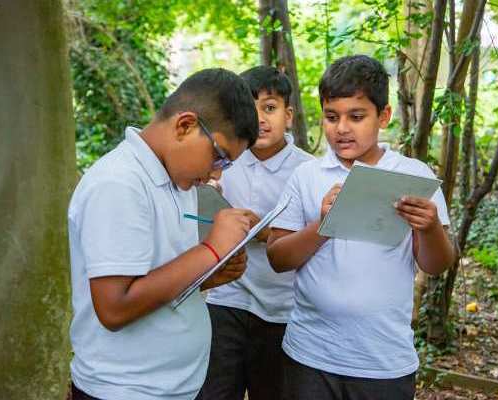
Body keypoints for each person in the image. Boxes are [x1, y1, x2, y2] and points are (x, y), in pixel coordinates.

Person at [266, 55, 455, 400]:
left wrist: (429, 228)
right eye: (331, 117)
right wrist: (322, 224)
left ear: (383, 116)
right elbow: (278, 258)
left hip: (382, 361)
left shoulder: (413, 176)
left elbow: (436, 264)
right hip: (310, 356)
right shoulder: (306, 177)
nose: (342, 129)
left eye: (356, 117)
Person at [67, 68, 259, 400]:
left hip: (172, 387)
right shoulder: (119, 184)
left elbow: (157, 276)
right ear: (185, 126)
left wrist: (209, 275)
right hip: (125, 391)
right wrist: (211, 252)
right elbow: (114, 308)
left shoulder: (176, 175)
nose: (215, 173)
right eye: (219, 156)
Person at [196, 66, 313, 400]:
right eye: (251, 108)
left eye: (271, 108)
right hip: (226, 297)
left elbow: (314, 237)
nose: (261, 118)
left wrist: (264, 231)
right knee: (215, 392)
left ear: (288, 115)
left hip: (281, 308)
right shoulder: (224, 161)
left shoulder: (308, 170)